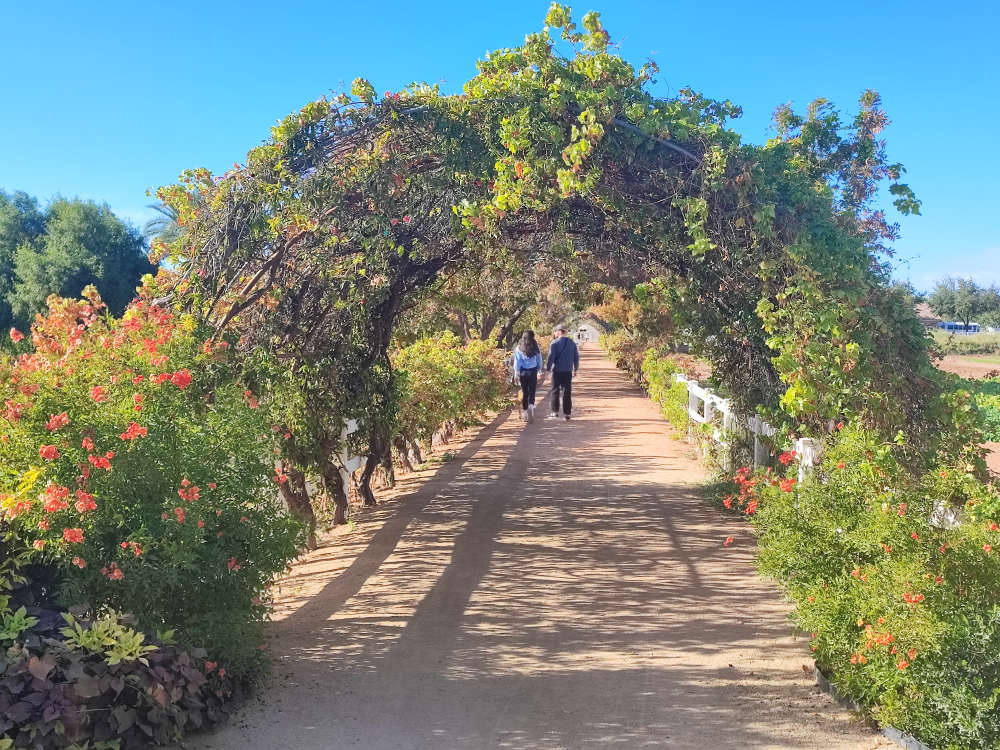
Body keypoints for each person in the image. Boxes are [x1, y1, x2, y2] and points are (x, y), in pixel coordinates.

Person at [546, 325, 579, 420]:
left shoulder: (554, 343)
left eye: (555, 332)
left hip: (557, 371)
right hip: (568, 371)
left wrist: (548, 370)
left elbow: (551, 357)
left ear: (559, 332)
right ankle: (567, 414)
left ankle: (555, 412)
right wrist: (575, 369)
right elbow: (576, 357)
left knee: (555, 391)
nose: (554, 334)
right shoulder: (572, 343)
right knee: (567, 392)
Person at [513, 330, 543, 423]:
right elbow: (539, 359)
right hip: (533, 371)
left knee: (525, 392)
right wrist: (539, 370)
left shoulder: (519, 348)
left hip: (523, 372)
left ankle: (525, 413)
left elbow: (517, 362)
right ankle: (531, 406)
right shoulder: (535, 346)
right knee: (532, 391)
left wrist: (516, 373)